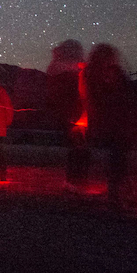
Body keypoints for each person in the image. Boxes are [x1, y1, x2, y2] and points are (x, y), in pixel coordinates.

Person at [80, 43, 137, 203]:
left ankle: (118, 191)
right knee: (118, 156)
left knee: (116, 157)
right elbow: (124, 97)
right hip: (115, 121)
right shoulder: (109, 73)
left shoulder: (88, 74)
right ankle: (118, 193)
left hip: (103, 121)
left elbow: (87, 98)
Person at [47, 39, 88, 189]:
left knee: (79, 148)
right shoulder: (64, 73)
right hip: (74, 116)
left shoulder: (63, 70)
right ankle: (74, 181)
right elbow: (68, 96)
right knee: (78, 148)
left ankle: (76, 181)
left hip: (77, 115)